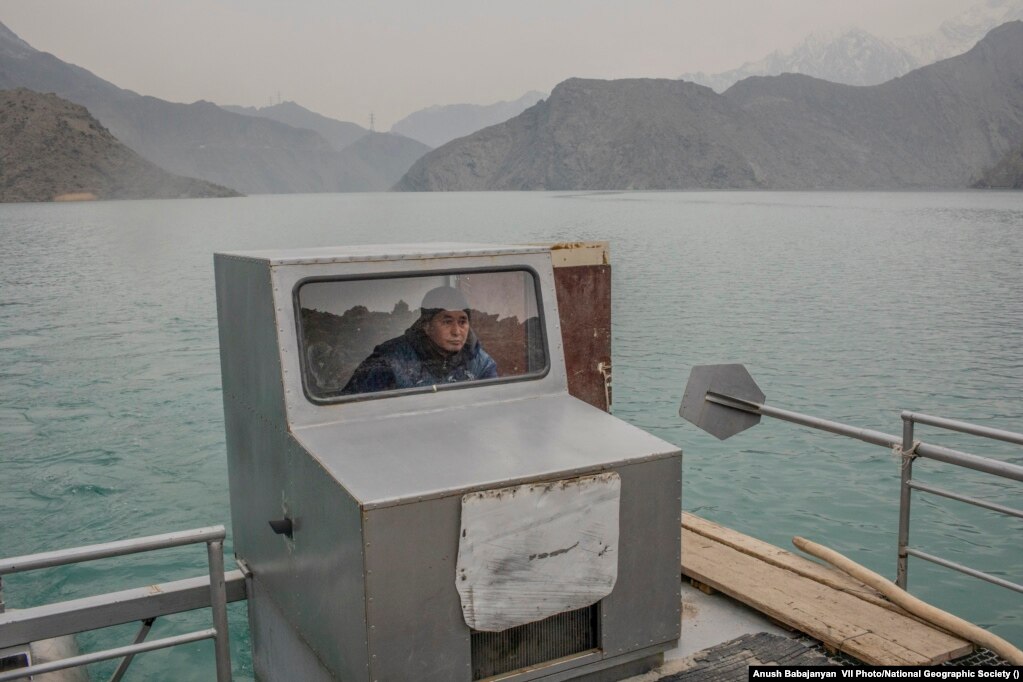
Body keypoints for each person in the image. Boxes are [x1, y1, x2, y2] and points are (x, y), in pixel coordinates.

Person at [341, 286, 498, 395]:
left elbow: (493, 409)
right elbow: (354, 410)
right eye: (447, 322)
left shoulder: (480, 362)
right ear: (426, 325)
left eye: (462, 322)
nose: (457, 332)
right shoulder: (389, 361)